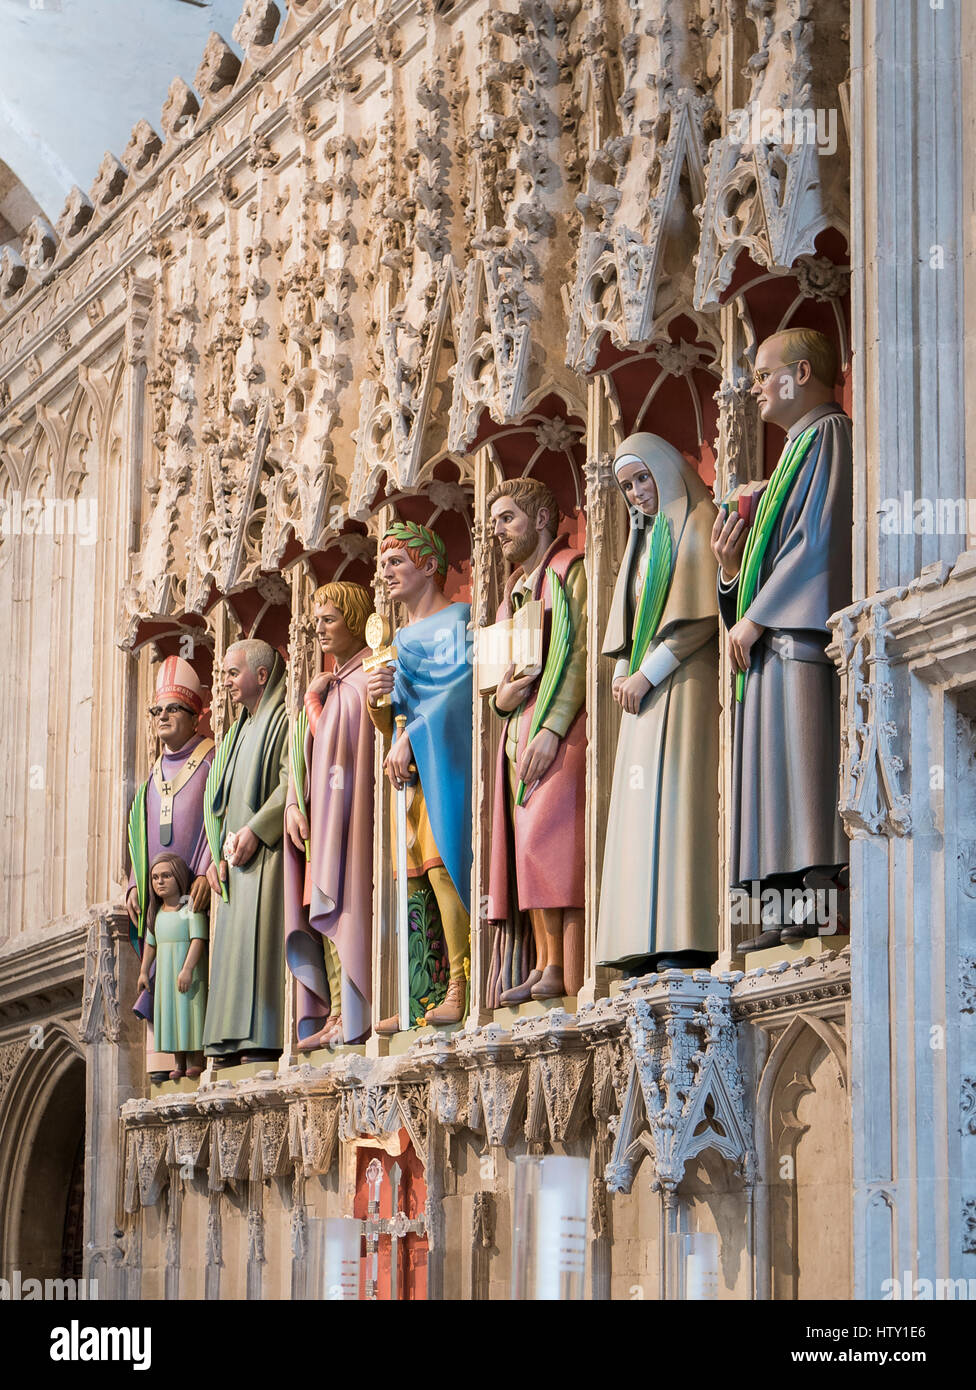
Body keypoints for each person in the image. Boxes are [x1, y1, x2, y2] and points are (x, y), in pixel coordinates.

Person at [710, 328, 852, 951]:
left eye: (765, 374)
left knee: (800, 769)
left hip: (797, 636)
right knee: (769, 776)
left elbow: (818, 542)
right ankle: (780, 908)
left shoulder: (827, 434)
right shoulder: (791, 452)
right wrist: (730, 572)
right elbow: (769, 562)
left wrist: (757, 615)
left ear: (801, 372)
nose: (756, 387)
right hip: (770, 636)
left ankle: (817, 904)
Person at [595, 434, 720, 973]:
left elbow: (700, 615)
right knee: (639, 812)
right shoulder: (643, 538)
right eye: (626, 486)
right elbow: (629, 615)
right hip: (642, 692)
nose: (636, 493)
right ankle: (635, 940)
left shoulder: (697, 518)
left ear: (666, 471)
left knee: (678, 801)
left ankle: (682, 934)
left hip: (683, 682)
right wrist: (625, 669)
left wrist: (646, 672)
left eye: (642, 479)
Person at [366, 521, 472, 1031]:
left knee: (441, 864)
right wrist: (377, 701)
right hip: (409, 774)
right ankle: (418, 995)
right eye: (381, 564)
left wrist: (411, 735)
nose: (385, 573)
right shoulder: (399, 637)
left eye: (396, 563)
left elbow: (461, 689)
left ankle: (461, 984)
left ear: (429, 566)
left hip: (445, 759)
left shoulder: (459, 619)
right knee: (412, 877)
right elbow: (395, 715)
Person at [485, 478, 586, 1004]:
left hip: (558, 733)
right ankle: (545, 960)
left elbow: (580, 653)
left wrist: (551, 728)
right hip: (516, 734)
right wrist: (500, 699)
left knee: (552, 843)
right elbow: (494, 685)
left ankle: (566, 965)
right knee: (527, 850)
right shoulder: (512, 595)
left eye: (507, 518)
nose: (496, 530)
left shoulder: (570, 571)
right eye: (494, 521)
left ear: (542, 518)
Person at [284, 581, 376, 1049]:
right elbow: (311, 752)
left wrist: (316, 706)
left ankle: (356, 1012)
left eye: (329, 619)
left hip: (352, 815)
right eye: (316, 620)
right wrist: (295, 804)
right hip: (324, 816)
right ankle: (337, 1010)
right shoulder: (334, 683)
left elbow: (342, 742)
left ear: (355, 620)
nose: (319, 629)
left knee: (347, 904)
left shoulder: (363, 678)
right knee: (325, 904)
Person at [203, 639, 290, 1062]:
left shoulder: (282, 716)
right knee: (234, 951)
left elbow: (294, 780)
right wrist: (217, 853)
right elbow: (221, 799)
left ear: (260, 675)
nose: (226, 684)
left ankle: (262, 1037)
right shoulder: (238, 730)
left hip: (267, 855)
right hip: (234, 859)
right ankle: (228, 1039)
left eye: (232, 674)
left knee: (261, 949)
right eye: (222, 676)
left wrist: (256, 830)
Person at [126, 656, 213, 1078]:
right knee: (157, 972)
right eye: (156, 711)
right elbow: (138, 837)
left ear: (195, 714)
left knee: (189, 974)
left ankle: (199, 1052)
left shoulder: (211, 760)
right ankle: (165, 1055)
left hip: (199, 887)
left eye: (171, 709)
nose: (162, 717)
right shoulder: (150, 776)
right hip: (157, 897)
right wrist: (132, 886)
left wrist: (205, 870)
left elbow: (222, 816)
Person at [136, 853, 208, 1081]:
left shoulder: (189, 909)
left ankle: (196, 1058)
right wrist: (143, 971)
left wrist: (187, 969)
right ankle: (178, 1061)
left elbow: (198, 939)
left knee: (190, 1012)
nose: (160, 881)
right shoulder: (155, 914)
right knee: (171, 1015)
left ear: (178, 876)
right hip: (166, 974)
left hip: (188, 972)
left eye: (166, 876)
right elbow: (151, 943)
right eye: (155, 877)